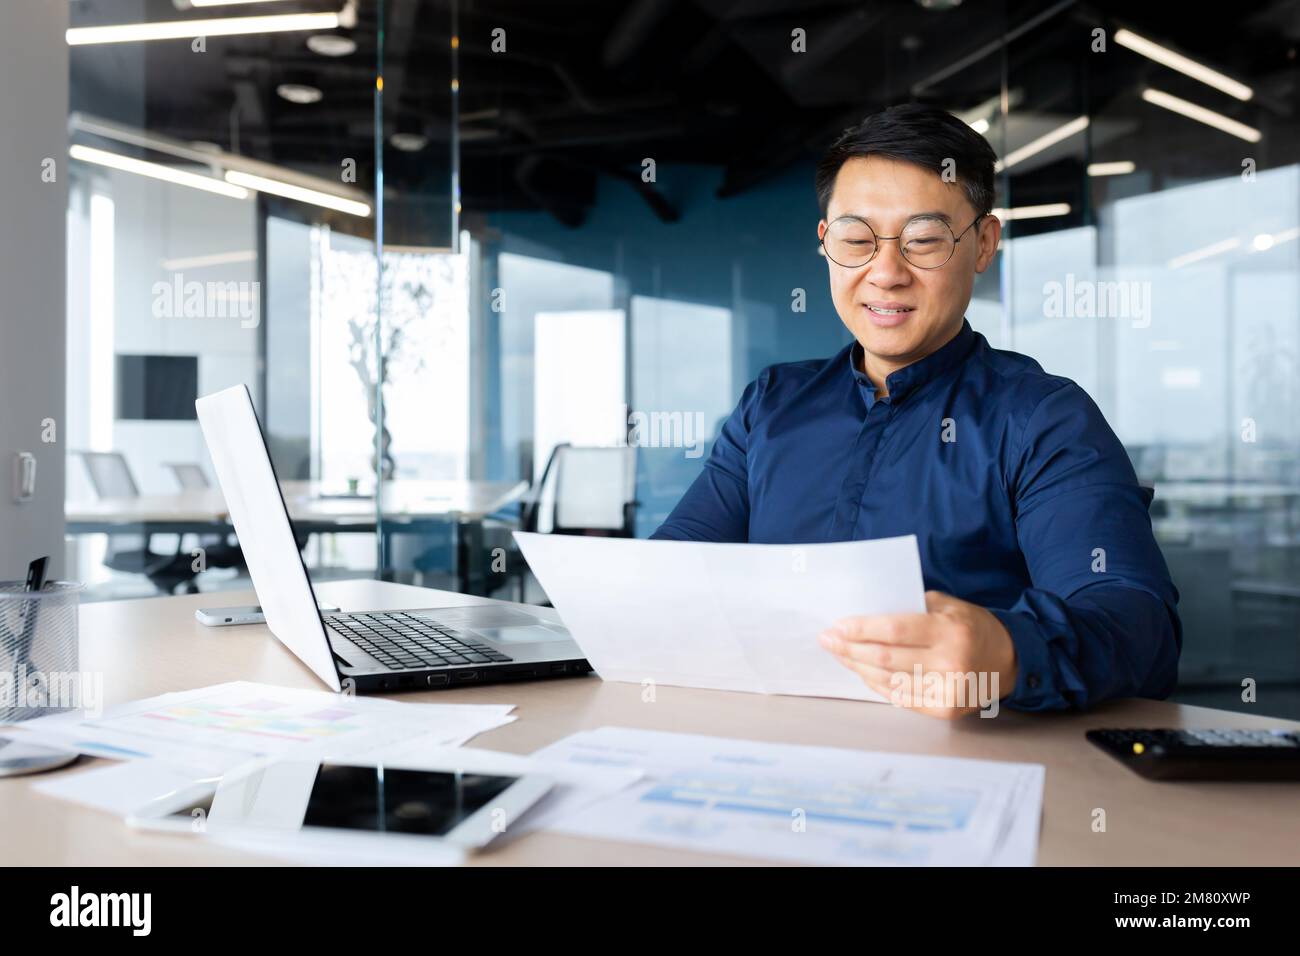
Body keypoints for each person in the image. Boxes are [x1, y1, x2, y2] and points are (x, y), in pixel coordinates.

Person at [651, 103, 1181, 718]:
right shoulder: (771, 405)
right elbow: (672, 570)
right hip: (770, 751)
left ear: (983, 244)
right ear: (825, 244)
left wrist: (1008, 651)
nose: (885, 273)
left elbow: (1138, 625)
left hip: (968, 764)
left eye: (923, 241)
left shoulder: (1043, 418)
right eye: (856, 240)